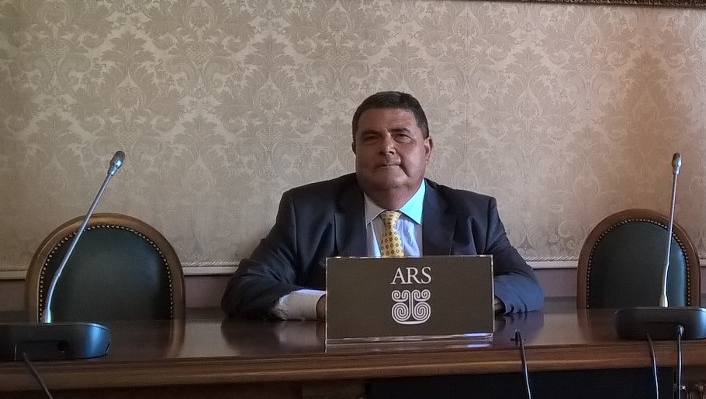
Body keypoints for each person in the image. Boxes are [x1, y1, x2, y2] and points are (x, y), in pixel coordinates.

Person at [222, 91, 543, 319]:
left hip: (447, 363)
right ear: (355, 149)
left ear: (427, 149)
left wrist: (463, 301)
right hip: (346, 368)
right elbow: (245, 288)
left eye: (401, 136)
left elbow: (525, 285)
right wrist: (324, 304)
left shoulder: (474, 213)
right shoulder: (306, 211)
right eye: (371, 138)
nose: (387, 148)